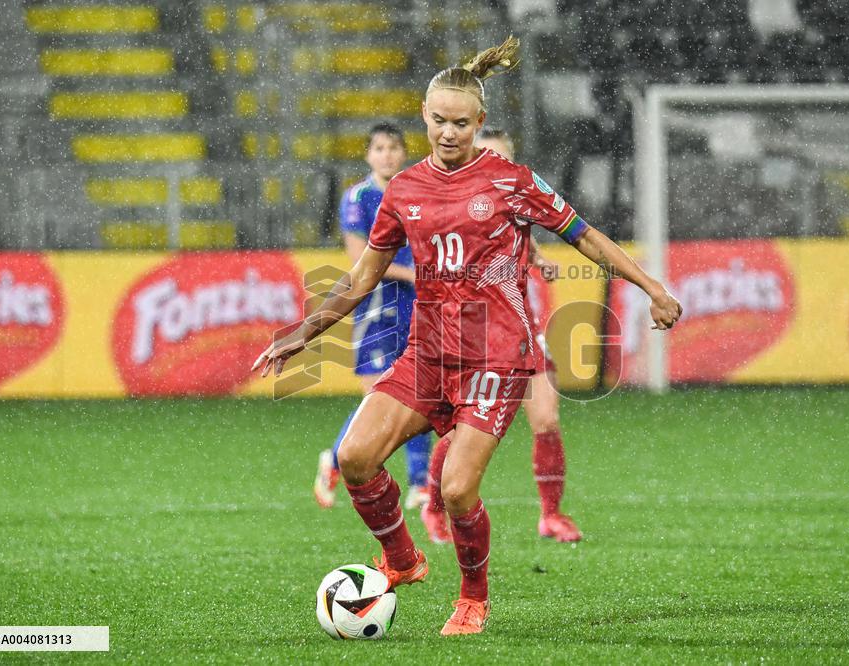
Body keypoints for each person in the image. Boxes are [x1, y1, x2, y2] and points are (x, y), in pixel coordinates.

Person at [252, 36, 682, 636]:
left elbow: (585, 234)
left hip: (495, 359)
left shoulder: (510, 181)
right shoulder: (402, 190)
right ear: (424, 118)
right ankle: (402, 560)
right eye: (438, 121)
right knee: (353, 457)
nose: (449, 133)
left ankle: (473, 598)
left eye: (461, 123)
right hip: (426, 353)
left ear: (479, 122)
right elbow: (361, 277)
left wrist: (651, 286)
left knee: (455, 492)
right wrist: (305, 330)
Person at [420, 127, 582, 544]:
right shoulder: (459, 205)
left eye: (503, 157)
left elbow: (520, 237)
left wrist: (540, 259)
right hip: (473, 335)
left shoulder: (514, 194)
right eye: (488, 155)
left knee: (546, 416)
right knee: (460, 430)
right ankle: (435, 506)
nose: (495, 165)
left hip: (519, 329)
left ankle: (551, 514)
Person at [312, 123, 432, 511]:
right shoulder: (358, 197)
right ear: (368, 155)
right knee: (376, 397)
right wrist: (412, 273)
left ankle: (421, 482)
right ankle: (335, 459)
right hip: (377, 309)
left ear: (403, 152)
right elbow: (359, 259)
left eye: (393, 147)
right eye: (379, 148)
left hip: (418, 306)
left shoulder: (416, 192)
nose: (387, 155)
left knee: (422, 394)